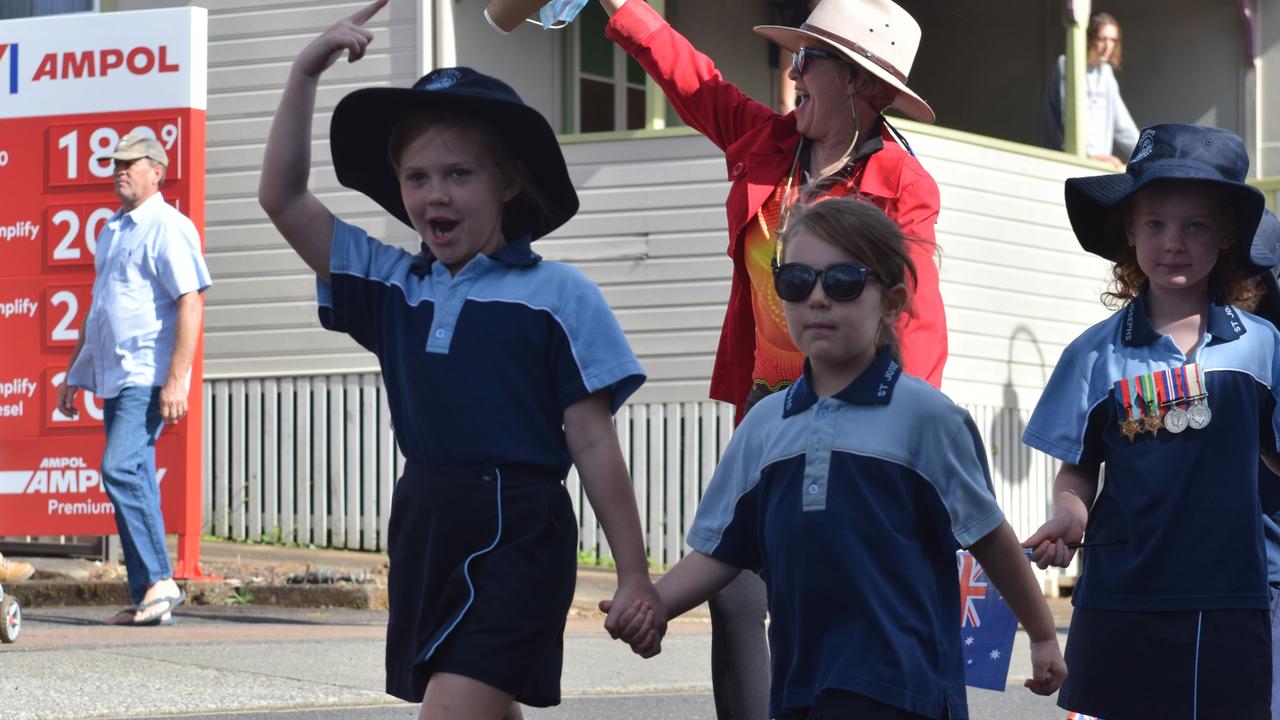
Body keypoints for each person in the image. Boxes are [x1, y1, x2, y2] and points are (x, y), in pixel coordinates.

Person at [256, 2, 663, 718]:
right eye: (417, 178)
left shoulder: (559, 295)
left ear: (508, 182)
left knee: (451, 709)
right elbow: (283, 199)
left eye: (459, 174)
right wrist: (303, 71)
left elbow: (595, 440)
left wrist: (634, 574)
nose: (435, 194)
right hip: (425, 524)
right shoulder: (391, 285)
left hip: (519, 528)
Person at [599, 1, 949, 715]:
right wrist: (621, 5)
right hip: (768, 408)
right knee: (733, 597)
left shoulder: (904, 187)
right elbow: (692, 81)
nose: (792, 71)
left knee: (827, 599)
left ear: (863, 85)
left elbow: (917, 320)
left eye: (809, 59)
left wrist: (899, 439)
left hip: (858, 415)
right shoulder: (766, 142)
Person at [607, 196, 1066, 719]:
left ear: (891, 303)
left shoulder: (928, 418)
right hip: (801, 690)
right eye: (798, 282)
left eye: (843, 282)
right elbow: (720, 551)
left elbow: (990, 537)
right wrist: (654, 608)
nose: (818, 299)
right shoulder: (764, 425)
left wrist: (1043, 633)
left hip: (904, 689)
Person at [1023, 123, 1277, 719]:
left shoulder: (1265, 348)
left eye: (1194, 226)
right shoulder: (1092, 354)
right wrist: (1067, 516)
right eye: (1156, 224)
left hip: (1231, 600)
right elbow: (1079, 469)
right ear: (1129, 233)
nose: (1174, 242)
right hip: (1119, 597)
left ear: (1225, 236)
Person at [56, 132, 209, 628]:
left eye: (131, 163)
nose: (119, 169)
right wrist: (72, 376)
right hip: (116, 374)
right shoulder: (113, 230)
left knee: (119, 470)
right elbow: (99, 310)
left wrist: (177, 380)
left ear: (157, 171)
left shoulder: (169, 226)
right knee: (135, 476)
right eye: (115, 163)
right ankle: (149, 592)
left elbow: (191, 300)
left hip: (147, 373)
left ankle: (161, 580)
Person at [1041, 12, 1139, 168]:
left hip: (1096, 166)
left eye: (1113, 40)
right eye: (1102, 39)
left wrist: (1148, 152)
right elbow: (1068, 116)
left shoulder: (1106, 74)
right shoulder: (1066, 65)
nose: (1108, 46)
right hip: (1067, 163)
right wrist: (1090, 155)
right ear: (1089, 38)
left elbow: (1123, 126)